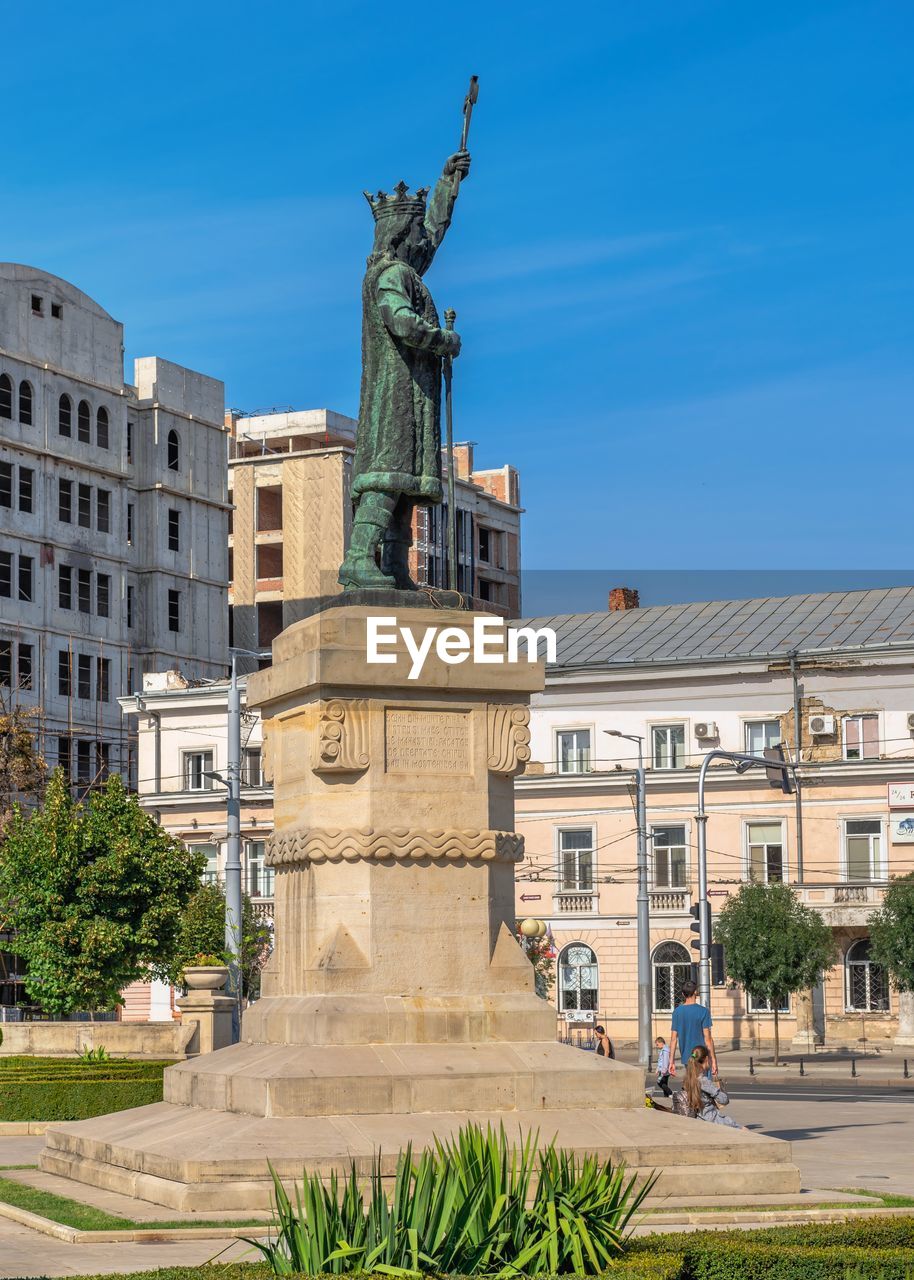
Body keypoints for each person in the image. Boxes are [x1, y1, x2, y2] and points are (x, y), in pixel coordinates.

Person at [338, 149, 471, 591]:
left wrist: (447, 185)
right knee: (389, 474)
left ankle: (394, 564)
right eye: (413, 230)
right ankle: (359, 558)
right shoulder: (391, 275)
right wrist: (442, 340)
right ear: (398, 235)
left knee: (405, 481)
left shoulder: (403, 269)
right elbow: (401, 321)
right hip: (394, 393)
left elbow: (432, 235)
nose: (421, 238)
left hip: (411, 391)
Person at [681, 1046, 742, 1127]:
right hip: (712, 1119)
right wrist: (719, 1089)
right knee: (743, 1130)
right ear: (706, 1059)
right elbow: (724, 1100)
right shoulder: (703, 1081)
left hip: (697, 1119)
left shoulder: (688, 1080)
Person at [669, 979, 717, 1078]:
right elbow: (707, 1039)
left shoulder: (677, 1012)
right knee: (705, 1087)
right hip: (702, 1057)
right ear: (695, 992)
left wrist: (671, 1062)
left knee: (692, 1086)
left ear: (683, 994)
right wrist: (713, 1060)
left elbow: (673, 1040)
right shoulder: (704, 1011)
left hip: (687, 1057)